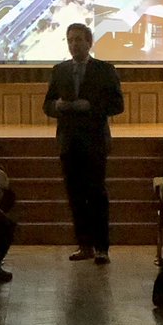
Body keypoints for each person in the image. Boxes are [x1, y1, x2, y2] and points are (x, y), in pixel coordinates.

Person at [43, 22, 124, 264]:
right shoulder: (60, 70)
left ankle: (102, 247)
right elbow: (47, 104)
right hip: (68, 141)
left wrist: (90, 106)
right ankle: (84, 245)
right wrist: (57, 106)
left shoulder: (105, 70)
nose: (74, 44)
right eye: (70, 40)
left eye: (78, 39)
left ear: (89, 42)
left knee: (96, 194)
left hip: (94, 140)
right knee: (75, 195)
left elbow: (117, 105)